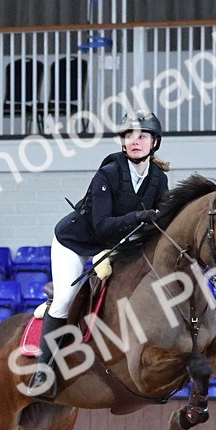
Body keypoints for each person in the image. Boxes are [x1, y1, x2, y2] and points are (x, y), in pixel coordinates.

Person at [29, 111, 171, 397]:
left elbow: (160, 224)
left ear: (154, 143)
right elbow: (102, 226)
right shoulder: (108, 173)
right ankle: (42, 371)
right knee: (65, 300)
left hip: (115, 247)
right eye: (129, 135)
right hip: (76, 242)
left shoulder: (157, 178)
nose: (135, 141)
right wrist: (138, 216)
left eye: (142, 136)